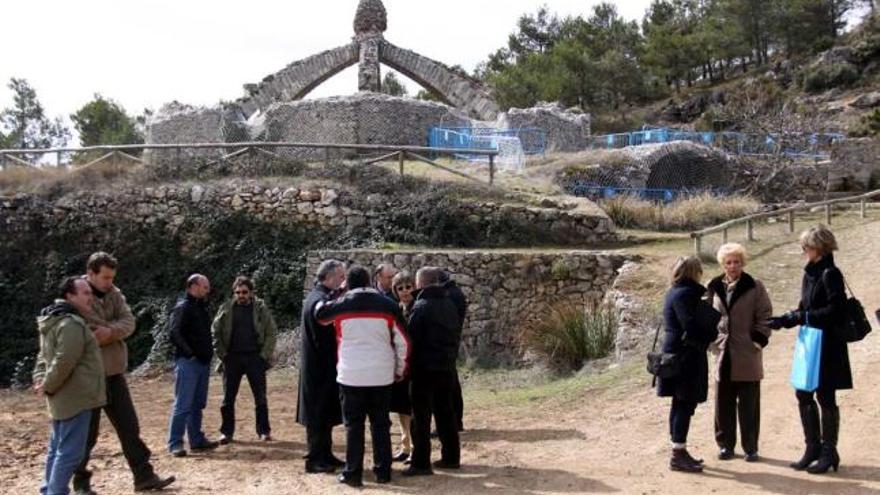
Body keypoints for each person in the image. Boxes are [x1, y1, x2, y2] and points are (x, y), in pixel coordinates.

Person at [73, 252, 174, 494]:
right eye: (105, 277)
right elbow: (86, 328)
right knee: (87, 434)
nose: (109, 282)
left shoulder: (115, 294)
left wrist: (108, 332)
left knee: (129, 427)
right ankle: (80, 482)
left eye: (112, 277)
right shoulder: (76, 294)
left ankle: (144, 476)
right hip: (89, 376)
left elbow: (129, 323)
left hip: (114, 373)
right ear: (90, 274)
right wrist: (111, 329)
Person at [315, 265, 410, 487]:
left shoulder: (341, 304)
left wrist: (336, 292)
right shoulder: (388, 305)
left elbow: (320, 315)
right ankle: (383, 471)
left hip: (351, 375)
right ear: (369, 281)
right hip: (381, 375)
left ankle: (353, 473)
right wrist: (399, 370)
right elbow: (402, 342)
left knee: (353, 426)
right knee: (380, 425)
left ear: (348, 282)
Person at [769, 225, 852, 474]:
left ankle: (829, 451)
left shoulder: (830, 273)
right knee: (803, 394)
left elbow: (835, 312)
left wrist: (801, 317)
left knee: (826, 397)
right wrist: (787, 319)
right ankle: (812, 447)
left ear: (820, 248)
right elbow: (804, 306)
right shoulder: (810, 273)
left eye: (807, 247)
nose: (804, 251)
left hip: (828, 345)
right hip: (810, 341)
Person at [34, 277, 106, 495]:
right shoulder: (71, 324)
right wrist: (46, 383)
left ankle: (49, 489)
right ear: (69, 296)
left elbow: (43, 358)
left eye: (90, 292)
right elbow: (64, 360)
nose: (90, 296)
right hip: (75, 396)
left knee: (57, 448)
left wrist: (41, 380)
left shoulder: (52, 319)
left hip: (62, 396)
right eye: (85, 293)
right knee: (70, 453)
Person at [706, 243, 773, 462]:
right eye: (728, 262)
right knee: (723, 404)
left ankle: (751, 447)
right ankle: (725, 445)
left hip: (747, 354)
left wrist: (758, 340)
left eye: (736, 262)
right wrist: (711, 342)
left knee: (749, 405)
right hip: (723, 353)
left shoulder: (755, 286)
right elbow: (704, 316)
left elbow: (765, 315)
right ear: (722, 265)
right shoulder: (713, 286)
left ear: (742, 263)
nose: (733, 266)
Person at [657, 256, 720, 473]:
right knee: (684, 403)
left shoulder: (676, 291)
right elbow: (690, 325)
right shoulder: (685, 294)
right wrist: (711, 333)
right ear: (694, 272)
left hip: (678, 352)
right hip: (686, 355)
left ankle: (679, 449)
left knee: (680, 403)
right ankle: (678, 453)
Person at [404, 267, 463, 477]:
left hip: (424, 370)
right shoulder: (450, 304)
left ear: (420, 284)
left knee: (420, 417)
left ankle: (421, 463)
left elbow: (411, 340)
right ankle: (451, 457)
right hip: (446, 367)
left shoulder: (421, 306)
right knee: (446, 413)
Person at [212, 276, 278, 444]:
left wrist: (264, 356)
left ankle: (264, 431)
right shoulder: (226, 308)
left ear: (251, 292)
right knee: (228, 398)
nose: (241, 295)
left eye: (244, 292)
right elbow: (215, 332)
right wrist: (223, 355)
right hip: (231, 358)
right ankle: (226, 433)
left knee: (260, 397)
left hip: (254, 358)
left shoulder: (261, 309)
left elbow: (271, 332)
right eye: (238, 292)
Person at [297, 260, 346, 474]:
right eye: (340, 276)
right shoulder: (318, 299)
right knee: (317, 414)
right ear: (329, 277)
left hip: (322, 366)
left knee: (324, 413)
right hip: (318, 367)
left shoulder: (320, 296)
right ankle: (314, 458)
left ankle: (325, 454)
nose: (342, 281)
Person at [167, 274, 219, 457]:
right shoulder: (183, 307)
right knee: (183, 404)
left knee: (198, 403)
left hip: (203, 363)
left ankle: (196, 440)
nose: (207, 290)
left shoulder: (202, 308)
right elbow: (174, 333)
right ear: (194, 286)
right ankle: (175, 443)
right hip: (189, 363)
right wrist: (189, 354)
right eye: (205, 287)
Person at [390, 271, 416, 463]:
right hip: (401, 366)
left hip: (415, 367)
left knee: (413, 410)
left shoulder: (417, 308)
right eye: (401, 288)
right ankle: (405, 446)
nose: (405, 291)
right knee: (402, 410)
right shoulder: (397, 309)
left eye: (408, 287)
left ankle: (415, 448)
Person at [438, 269, 467, 432]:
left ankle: (454, 421)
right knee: (452, 383)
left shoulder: (449, 295)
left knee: (449, 385)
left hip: (446, 345)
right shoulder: (454, 293)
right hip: (450, 343)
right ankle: (456, 420)